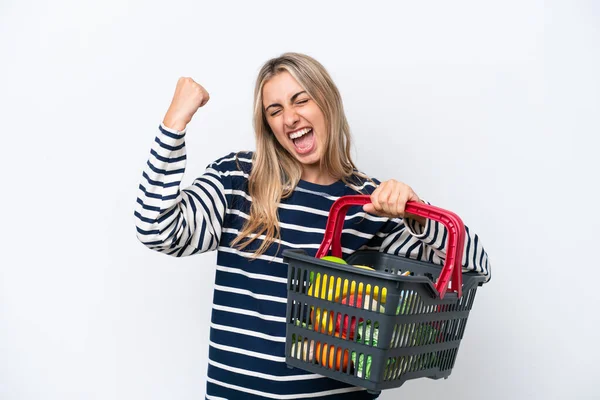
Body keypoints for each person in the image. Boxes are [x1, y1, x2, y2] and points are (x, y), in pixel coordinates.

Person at [134, 52, 491, 400]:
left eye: (300, 100)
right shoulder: (238, 180)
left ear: (327, 103)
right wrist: (174, 122)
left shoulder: (369, 204)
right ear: (268, 125)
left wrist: (415, 212)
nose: (289, 118)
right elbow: (155, 228)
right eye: (275, 110)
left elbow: (475, 268)